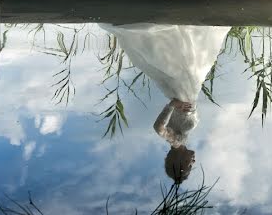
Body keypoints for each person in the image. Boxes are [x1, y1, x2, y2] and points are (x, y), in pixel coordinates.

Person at [99, 22, 231, 184]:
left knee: (189, 60)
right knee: (187, 57)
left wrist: (172, 105)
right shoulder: (181, 140)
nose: (194, 162)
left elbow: (159, 129)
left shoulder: (177, 141)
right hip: (187, 90)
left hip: (182, 93)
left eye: (190, 165)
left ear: (181, 162)